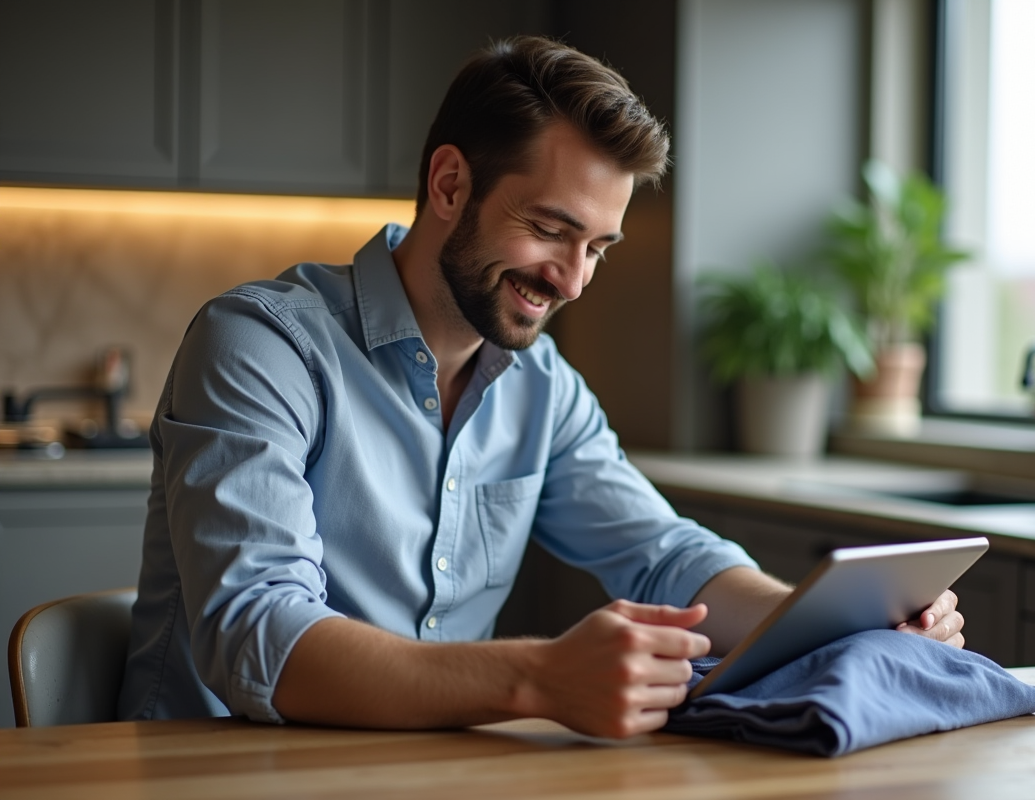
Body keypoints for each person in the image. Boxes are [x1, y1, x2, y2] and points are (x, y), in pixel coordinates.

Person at [118, 35, 965, 738]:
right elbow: (257, 635)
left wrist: (833, 621)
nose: (573, 280)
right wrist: (537, 678)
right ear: (450, 185)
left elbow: (665, 556)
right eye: (551, 230)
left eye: (597, 248)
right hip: (218, 774)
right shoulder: (263, 345)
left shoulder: (542, 387)